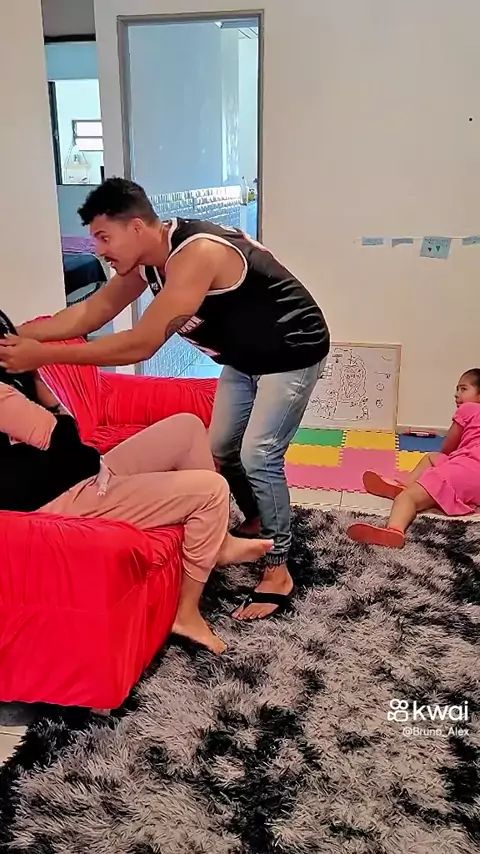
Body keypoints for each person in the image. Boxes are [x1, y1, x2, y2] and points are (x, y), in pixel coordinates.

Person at [0, 178, 330, 620]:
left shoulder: (196, 254)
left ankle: (278, 569)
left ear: (136, 227)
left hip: (292, 349)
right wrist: (13, 336)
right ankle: (256, 520)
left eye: (104, 237)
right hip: (244, 357)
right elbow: (89, 313)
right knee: (221, 447)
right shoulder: (144, 263)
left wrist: (41, 355)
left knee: (258, 454)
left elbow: (141, 344)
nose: (99, 250)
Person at [0, 310, 273, 653]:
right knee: (212, 490)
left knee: (187, 428)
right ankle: (186, 613)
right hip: (59, 497)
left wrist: (34, 375)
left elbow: (69, 445)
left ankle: (218, 543)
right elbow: (68, 441)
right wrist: (36, 378)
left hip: (71, 475)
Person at [347, 369, 480, 549]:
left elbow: (448, 446)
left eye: (463, 389)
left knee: (407, 499)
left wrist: (447, 466)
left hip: (464, 469)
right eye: (457, 389)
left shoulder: (468, 409)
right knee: (431, 457)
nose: (456, 394)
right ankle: (405, 485)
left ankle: (395, 529)